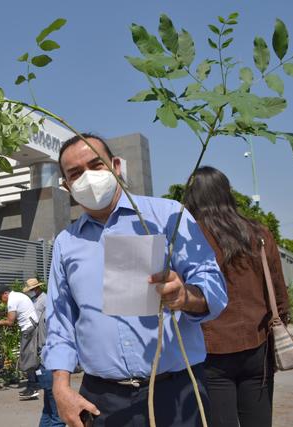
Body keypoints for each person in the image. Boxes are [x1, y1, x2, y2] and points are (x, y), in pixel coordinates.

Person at [44, 133, 228, 427]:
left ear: (116, 166)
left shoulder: (166, 215)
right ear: (66, 186)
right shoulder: (66, 242)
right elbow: (60, 320)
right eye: (75, 173)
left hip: (177, 391)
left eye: (96, 164)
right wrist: (61, 386)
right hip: (103, 399)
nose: (88, 177)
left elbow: (214, 288)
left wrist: (185, 297)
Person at [184, 166, 289, 427]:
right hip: (258, 346)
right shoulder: (259, 234)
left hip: (210, 351)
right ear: (227, 193)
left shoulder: (189, 237)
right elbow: (278, 294)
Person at [24, 278, 64, 427]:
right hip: (44, 356)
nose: (30, 293)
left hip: (47, 355)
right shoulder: (39, 302)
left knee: (53, 406)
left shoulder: (44, 302)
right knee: (51, 404)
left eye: (31, 290)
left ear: (37, 288)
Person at [0, 284, 40, 400]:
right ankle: (36, 382)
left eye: (0, 297)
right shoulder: (17, 296)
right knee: (30, 356)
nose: (1, 300)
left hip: (28, 328)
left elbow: (10, 322)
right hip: (32, 326)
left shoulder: (11, 300)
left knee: (27, 357)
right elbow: (15, 314)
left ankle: (33, 388)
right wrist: (2, 315)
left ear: (5, 294)